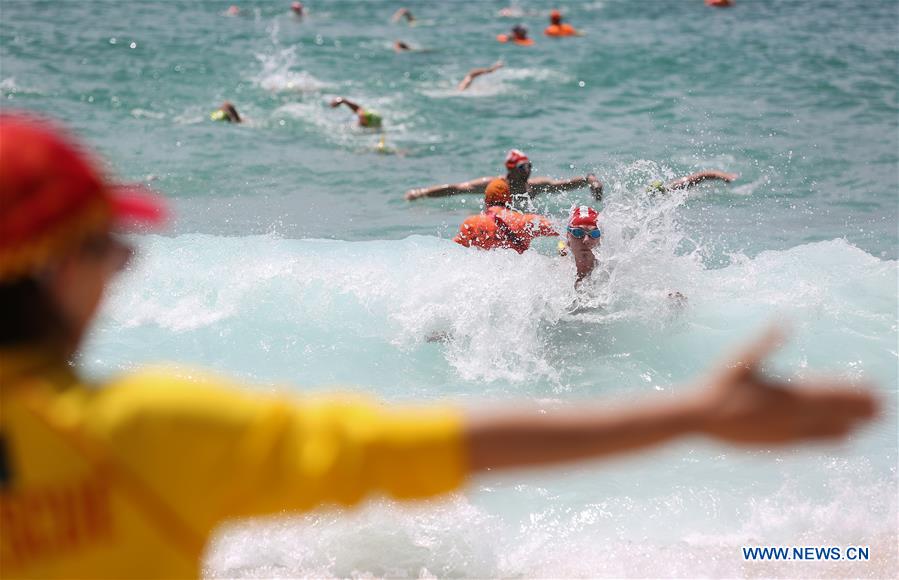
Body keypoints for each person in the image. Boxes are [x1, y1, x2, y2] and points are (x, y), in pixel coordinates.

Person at [0, 114, 879, 578]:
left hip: (504, 285)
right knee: (575, 289)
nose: (124, 264)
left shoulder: (484, 216)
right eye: (111, 246)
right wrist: (693, 415)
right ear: (55, 268)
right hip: (534, 286)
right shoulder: (152, 429)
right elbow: (429, 446)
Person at [405, 149, 604, 204]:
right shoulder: (494, 185)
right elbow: (456, 189)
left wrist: (589, 179)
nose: (527, 171)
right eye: (523, 167)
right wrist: (421, 193)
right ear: (511, 169)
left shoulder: (534, 186)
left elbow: (562, 185)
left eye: (529, 166)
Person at [453, 179, 557, 253]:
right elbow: (559, 229)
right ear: (509, 200)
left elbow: (454, 249)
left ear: (486, 200)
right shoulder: (524, 220)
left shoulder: (471, 223)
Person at [558, 205, 601, 285]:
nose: (586, 240)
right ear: (568, 236)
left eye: (594, 233)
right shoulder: (557, 274)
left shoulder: (611, 274)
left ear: (600, 239)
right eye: (578, 232)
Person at [646, 170, 738, 194]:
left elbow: (701, 176)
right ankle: (721, 174)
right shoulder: (672, 189)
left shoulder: (673, 188)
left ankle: (720, 174)